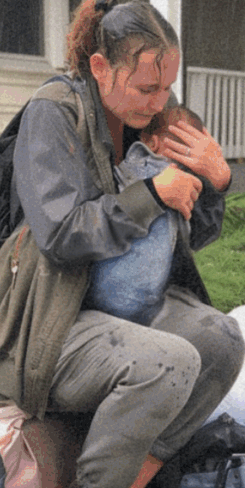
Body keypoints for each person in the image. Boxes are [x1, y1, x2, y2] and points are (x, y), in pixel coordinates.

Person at [0, 0, 245, 488]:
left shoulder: (154, 121)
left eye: (167, 86)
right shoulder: (54, 114)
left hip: (119, 311)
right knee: (169, 361)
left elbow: (187, 237)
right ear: (101, 68)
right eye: (146, 88)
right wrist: (150, 194)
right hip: (47, 322)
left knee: (222, 340)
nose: (160, 101)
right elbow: (62, 234)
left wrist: (215, 181)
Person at [83, 105, 205, 326]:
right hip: (146, 300)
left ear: (151, 142)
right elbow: (190, 234)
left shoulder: (129, 168)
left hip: (105, 295)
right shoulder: (180, 182)